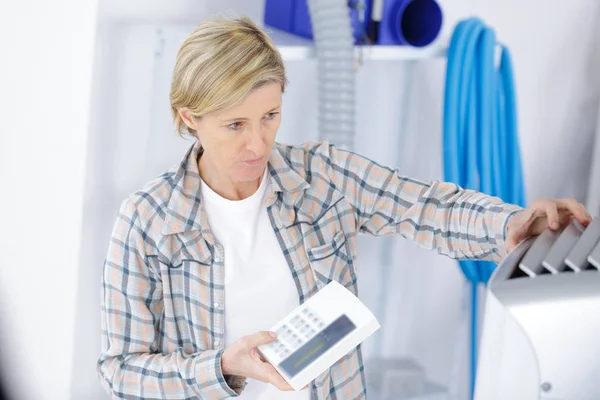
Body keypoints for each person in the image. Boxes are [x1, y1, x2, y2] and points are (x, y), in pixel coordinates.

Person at [96, 16, 592, 400]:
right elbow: (120, 371)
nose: (257, 143)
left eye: (270, 116)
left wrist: (510, 223)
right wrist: (222, 366)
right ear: (190, 118)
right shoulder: (147, 222)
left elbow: (423, 207)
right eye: (235, 125)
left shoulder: (321, 176)